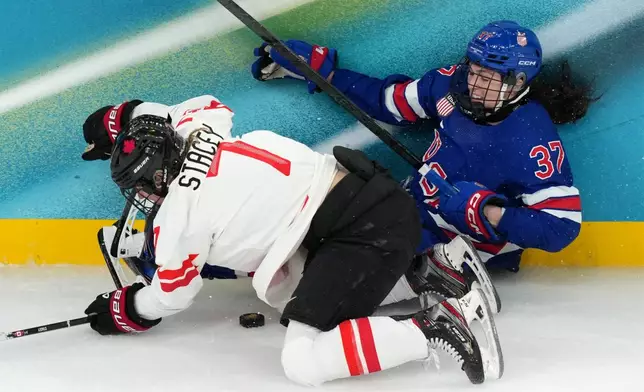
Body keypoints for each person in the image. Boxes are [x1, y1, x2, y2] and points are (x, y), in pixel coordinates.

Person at [80, 94, 503, 386]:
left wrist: (126, 309)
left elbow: (171, 295)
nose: (144, 196)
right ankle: (430, 271)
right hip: (375, 199)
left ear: (159, 174)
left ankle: (434, 326)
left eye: (144, 185)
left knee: (303, 360)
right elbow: (183, 108)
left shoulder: (179, 220)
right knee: (291, 296)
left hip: (358, 231)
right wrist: (122, 118)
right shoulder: (201, 126)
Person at [251, 20, 597, 301]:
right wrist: (323, 74)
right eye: (474, 70)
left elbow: (560, 228)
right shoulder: (451, 85)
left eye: (488, 78)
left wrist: (486, 210)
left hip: (452, 243)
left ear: (518, 81)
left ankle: (442, 285)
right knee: (310, 237)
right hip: (409, 210)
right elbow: (389, 102)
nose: (475, 85)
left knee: (322, 293)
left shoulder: (531, 138)